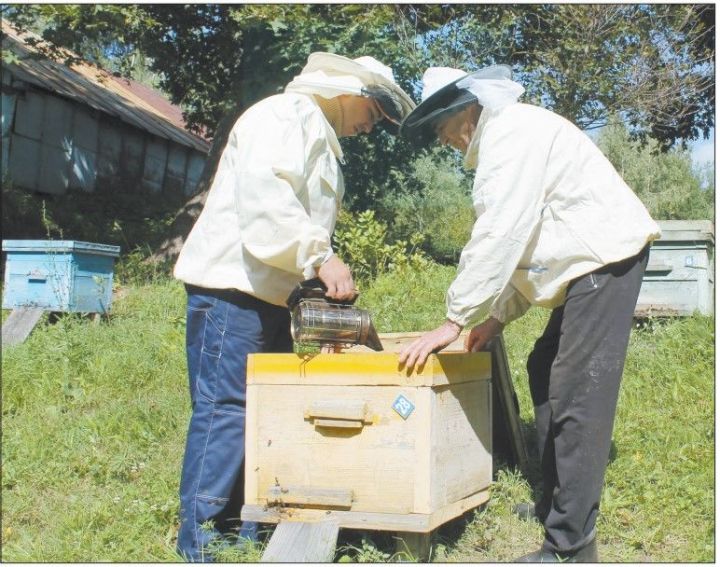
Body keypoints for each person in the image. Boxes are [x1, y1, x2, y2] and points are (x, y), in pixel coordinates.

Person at [397, 65, 661, 562]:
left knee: (577, 392)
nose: (442, 140)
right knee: (545, 366)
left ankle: (570, 545)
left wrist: (455, 320)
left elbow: (500, 235)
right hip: (587, 263)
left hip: (606, 260)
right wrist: (493, 318)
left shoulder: (511, 136)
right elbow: (532, 251)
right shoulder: (506, 138)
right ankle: (554, 503)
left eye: (441, 128)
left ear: (465, 113)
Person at [172, 52, 414, 562]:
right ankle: (202, 544)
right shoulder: (286, 116)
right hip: (230, 293)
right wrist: (321, 259)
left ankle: (243, 528)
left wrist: (312, 291)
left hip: (264, 297)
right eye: (374, 111)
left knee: (265, 415)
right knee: (226, 412)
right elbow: (267, 201)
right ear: (348, 91)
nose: (372, 126)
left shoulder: (317, 136)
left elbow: (286, 233)